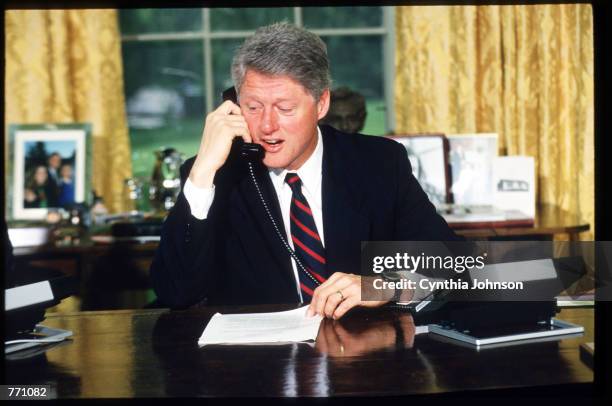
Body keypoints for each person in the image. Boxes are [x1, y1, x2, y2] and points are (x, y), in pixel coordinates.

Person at [150, 23, 460, 319]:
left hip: (361, 362)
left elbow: (460, 266)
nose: (267, 126)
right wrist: (203, 171)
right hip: (256, 369)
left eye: (284, 108)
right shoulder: (216, 176)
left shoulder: (379, 162)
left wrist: (383, 285)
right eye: (253, 107)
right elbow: (176, 293)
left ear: (321, 104)